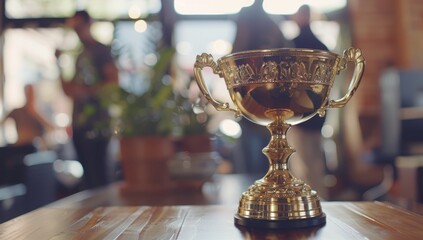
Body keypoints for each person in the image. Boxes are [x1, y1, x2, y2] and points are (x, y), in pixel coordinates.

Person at [56, 10, 119, 189]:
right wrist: (58, 63)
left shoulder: (100, 50)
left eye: (79, 25)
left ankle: (107, 216)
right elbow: (68, 90)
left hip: (98, 122)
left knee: (101, 176)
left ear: (89, 24)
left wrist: (86, 91)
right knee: (89, 178)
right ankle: (96, 217)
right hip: (80, 123)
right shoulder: (78, 55)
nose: (77, 30)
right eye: (74, 27)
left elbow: (113, 82)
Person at [232, 0, 291, 175]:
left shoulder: (268, 23)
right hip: (259, 99)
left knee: (261, 158)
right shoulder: (269, 23)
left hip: (265, 100)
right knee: (258, 159)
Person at [288, 4, 329, 199]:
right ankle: (319, 200)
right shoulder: (322, 47)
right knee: (315, 163)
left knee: (301, 164)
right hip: (317, 113)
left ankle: (305, 201)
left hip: (299, 113)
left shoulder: (294, 46)